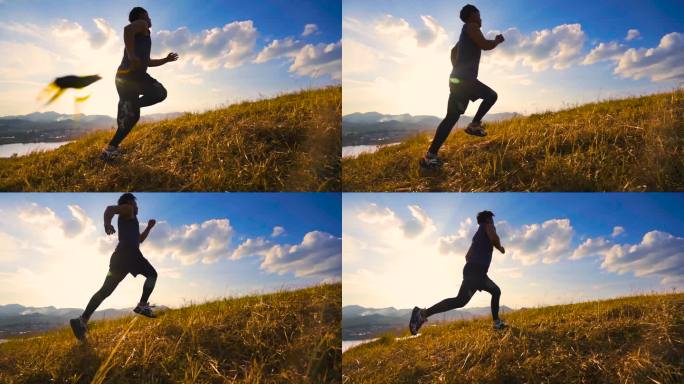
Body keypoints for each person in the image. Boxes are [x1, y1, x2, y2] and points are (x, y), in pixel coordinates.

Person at [421, 4, 505, 169]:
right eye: (479, 15)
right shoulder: (471, 26)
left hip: (457, 80)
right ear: (472, 15)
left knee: (451, 118)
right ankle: (474, 125)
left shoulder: (463, 35)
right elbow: (485, 45)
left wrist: (457, 69)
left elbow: (453, 51)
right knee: (491, 96)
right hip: (465, 80)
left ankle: (429, 157)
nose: (481, 19)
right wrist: (497, 40)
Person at [70, 193, 158, 341]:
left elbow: (140, 239)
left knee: (105, 291)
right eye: (135, 203)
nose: (137, 207)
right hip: (130, 254)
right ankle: (142, 305)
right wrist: (107, 224)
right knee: (152, 275)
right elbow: (109, 209)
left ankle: (82, 320)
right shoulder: (128, 209)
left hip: (120, 257)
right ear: (129, 203)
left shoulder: (132, 219)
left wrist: (149, 227)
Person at [409, 210, 507, 334]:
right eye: (492, 220)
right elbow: (494, 238)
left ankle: (422, 313)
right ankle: (497, 323)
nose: (494, 223)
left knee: (459, 301)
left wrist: (474, 272)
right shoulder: (488, 226)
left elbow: (467, 256)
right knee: (496, 291)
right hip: (477, 271)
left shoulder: (477, 235)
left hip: (471, 270)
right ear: (488, 220)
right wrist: (500, 248)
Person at [101, 7, 179, 160]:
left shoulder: (144, 35)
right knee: (155, 97)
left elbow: (148, 61)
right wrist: (131, 55)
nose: (150, 19)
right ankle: (111, 149)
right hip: (129, 76)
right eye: (147, 16)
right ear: (140, 17)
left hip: (130, 77)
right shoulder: (141, 24)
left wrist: (166, 60)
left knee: (156, 96)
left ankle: (129, 106)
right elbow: (127, 29)